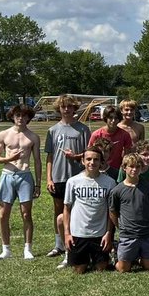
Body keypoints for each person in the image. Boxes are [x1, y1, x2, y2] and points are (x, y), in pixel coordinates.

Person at [0, 103, 42, 261]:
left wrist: (38, 184)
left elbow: (37, 161)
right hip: (7, 175)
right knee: (2, 215)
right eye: (18, 115)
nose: (21, 118)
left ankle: (27, 248)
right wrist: (9, 158)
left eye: (24, 116)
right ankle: (5, 249)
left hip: (25, 176)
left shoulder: (33, 137)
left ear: (28, 118)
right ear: (13, 117)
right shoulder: (3, 134)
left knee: (26, 214)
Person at [43, 94, 89, 260]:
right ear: (59, 109)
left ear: (74, 108)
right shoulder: (53, 130)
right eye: (64, 107)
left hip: (78, 177)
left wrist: (75, 156)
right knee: (58, 211)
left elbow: (88, 154)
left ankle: (76, 242)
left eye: (70, 106)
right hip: (59, 177)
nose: (67, 109)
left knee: (77, 210)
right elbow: (49, 157)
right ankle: (59, 244)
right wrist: (49, 178)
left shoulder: (83, 129)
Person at [63, 147, 115, 274]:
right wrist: (67, 233)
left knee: (101, 268)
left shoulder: (109, 182)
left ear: (101, 162)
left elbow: (111, 211)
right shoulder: (73, 181)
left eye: (96, 159)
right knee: (79, 270)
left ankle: (103, 256)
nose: (92, 162)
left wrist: (108, 233)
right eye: (89, 159)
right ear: (82, 161)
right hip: (79, 233)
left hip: (100, 234)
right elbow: (67, 208)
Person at [109, 152, 149, 273]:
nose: (134, 169)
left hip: (146, 233)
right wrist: (119, 226)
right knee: (123, 269)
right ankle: (118, 255)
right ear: (124, 168)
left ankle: (138, 257)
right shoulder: (117, 190)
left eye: (137, 166)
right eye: (131, 166)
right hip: (128, 234)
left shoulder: (148, 187)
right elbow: (113, 211)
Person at [120, 140, 149, 239]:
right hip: (128, 196)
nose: (148, 157)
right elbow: (119, 187)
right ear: (137, 154)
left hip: (147, 196)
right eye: (144, 154)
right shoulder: (128, 166)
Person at [89, 106, 135, 180]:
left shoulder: (124, 135)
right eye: (110, 118)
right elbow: (90, 153)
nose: (113, 121)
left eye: (116, 118)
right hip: (98, 169)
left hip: (117, 170)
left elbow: (127, 155)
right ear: (105, 118)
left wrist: (123, 168)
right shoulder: (96, 134)